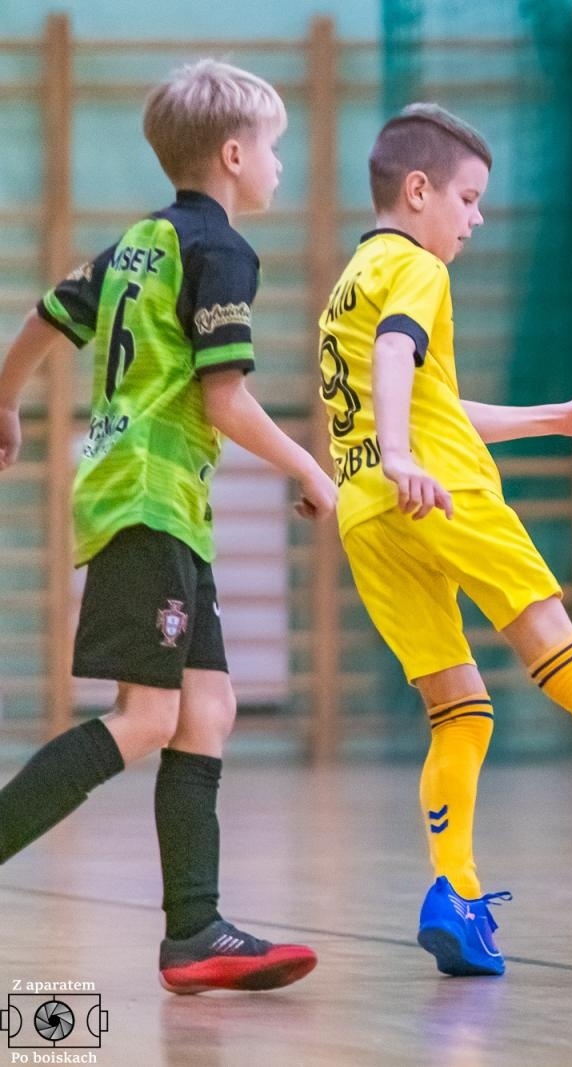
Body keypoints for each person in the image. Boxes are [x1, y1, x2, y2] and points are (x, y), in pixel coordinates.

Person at [318, 103, 572, 976]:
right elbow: (402, 366)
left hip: (368, 511)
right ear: (419, 189)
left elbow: (432, 399)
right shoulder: (419, 270)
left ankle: (455, 893)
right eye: (469, 199)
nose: (474, 219)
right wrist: (403, 455)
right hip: (436, 488)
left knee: (459, 709)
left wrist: (556, 417)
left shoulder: (351, 278)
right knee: (557, 647)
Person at [0, 60, 334, 993]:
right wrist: (309, 466)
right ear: (234, 155)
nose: (280, 163)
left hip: (156, 502)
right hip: (149, 500)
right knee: (148, 716)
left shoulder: (136, 244)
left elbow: (41, 319)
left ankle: (194, 932)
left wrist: (7, 400)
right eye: (275, 147)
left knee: (208, 708)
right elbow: (223, 399)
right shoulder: (222, 251)